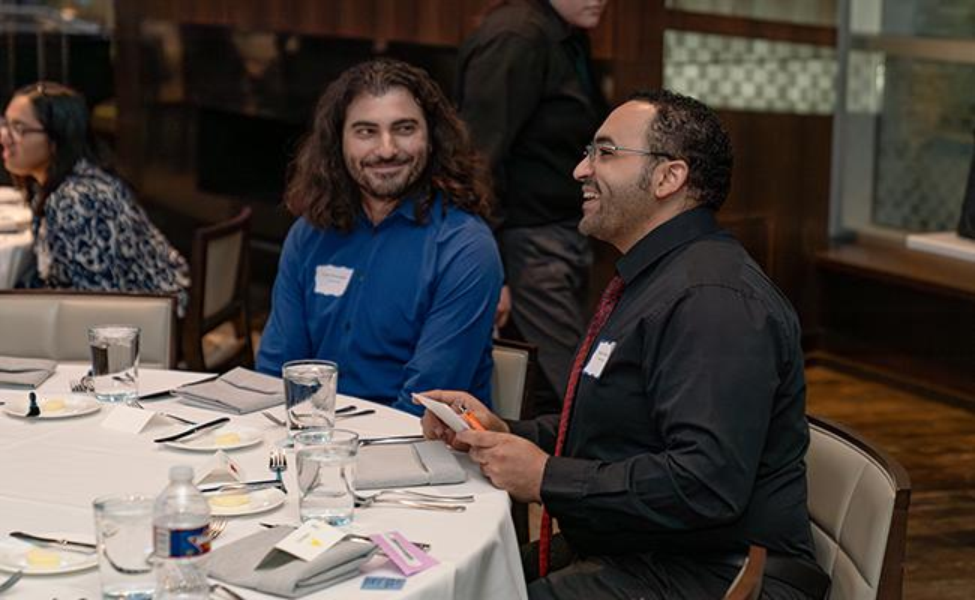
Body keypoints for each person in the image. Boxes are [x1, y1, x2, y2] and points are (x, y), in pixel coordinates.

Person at [420, 90, 830, 599]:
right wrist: (508, 431)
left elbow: (705, 483)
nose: (579, 170)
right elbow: (618, 429)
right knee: (449, 579)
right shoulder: (658, 278)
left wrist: (548, 476)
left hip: (717, 576)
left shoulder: (712, 300)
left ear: (668, 177)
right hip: (643, 551)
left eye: (604, 152)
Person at [256, 59, 503, 416]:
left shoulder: (465, 248)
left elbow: (424, 402)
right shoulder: (308, 234)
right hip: (313, 440)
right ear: (337, 142)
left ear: (432, 138)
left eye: (404, 129)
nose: (387, 149)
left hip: (416, 449)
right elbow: (277, 372)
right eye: (366, 131)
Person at [456, 0, 609, 415]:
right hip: (527, 240)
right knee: (578, 389)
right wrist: (488, 266)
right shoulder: (518, 36)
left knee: (549, 388)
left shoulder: (566, 34)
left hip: (562, 232)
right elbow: (476, 158)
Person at [0, 82, 190, 312]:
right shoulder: (74, 177)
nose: (4, 136)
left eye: (18, 128)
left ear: (57, 139)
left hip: (147, 320)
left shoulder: (75, 201)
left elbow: (97, 302)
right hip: (148, 303)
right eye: (5, 124)